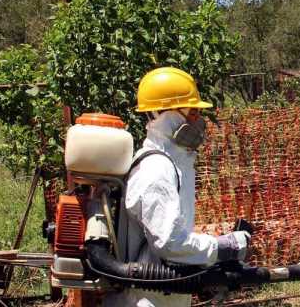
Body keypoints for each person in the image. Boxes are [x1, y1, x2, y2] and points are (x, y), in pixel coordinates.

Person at [107, 67, 251, 307]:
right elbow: (171, 243)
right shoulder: (156, 168)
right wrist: (222, 247)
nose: (200, 121)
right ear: (165, 114)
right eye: (193, 112)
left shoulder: (167, 163)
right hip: (145, 300)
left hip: (159, 295)